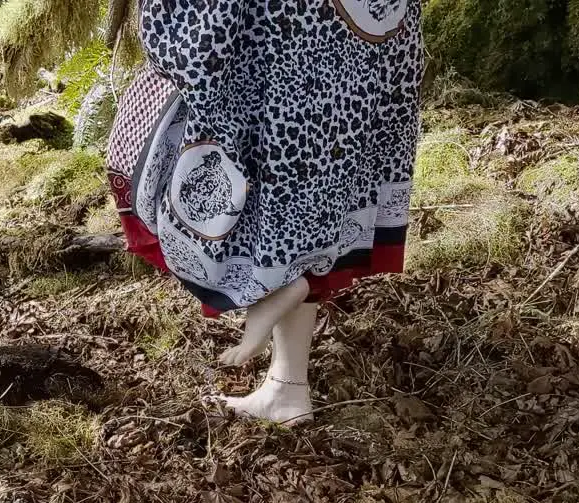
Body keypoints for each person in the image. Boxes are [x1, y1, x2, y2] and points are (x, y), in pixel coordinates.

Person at [106, 0, 424, 426]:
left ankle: (281, 282)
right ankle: (288, 387)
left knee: (224, 167)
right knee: (315, 184)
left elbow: (195, 46)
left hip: (289, 27)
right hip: (378, 28)